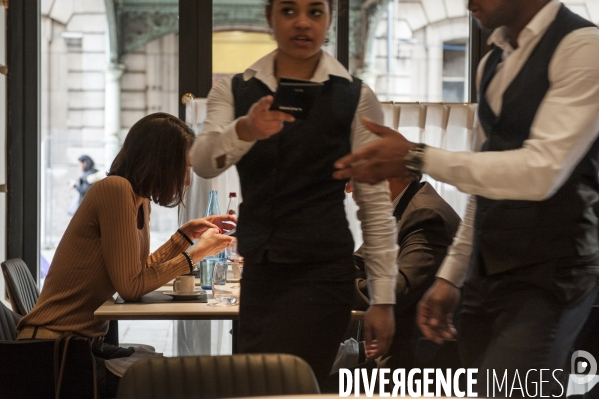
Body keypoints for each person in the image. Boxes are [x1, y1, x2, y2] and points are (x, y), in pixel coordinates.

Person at [334, 0, 599, 395]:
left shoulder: (583, 47)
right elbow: (483, 189)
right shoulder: (492, 61)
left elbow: (542, 172)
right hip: (486, 273)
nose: (467, 2)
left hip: (553, 271)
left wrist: (416, 155)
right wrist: (450, 277)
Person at [190, 0, 398, 386]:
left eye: (315, 11)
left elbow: (374, 203)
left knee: (295, 385)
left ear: (330, 20)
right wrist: (245, 131)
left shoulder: (356, 97)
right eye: (289, 10)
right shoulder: (234, 90)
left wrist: (382, 299)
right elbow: (202, 162)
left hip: (322, 275)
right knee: (256, 386)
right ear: (270, 17)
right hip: (260, 276)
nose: (302, 22)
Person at [17, 113, 235, 398]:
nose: (186, 180)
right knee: (176, 379)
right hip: (52, 352)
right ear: (160, 162)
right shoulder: (115, 190)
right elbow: (131, 288)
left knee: (169, 370)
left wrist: (184, 237)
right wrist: (196, 254)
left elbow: (137, 271)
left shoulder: (138, 200)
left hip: (80, 346)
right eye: (183, 168)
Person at [349, 174, 460, 371]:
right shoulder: (397, 209)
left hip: (420, 366)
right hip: (398, 350)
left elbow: (396, 291)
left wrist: (329, 284)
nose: (348, 188)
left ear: (389, 174)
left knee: (308, 383)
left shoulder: (425, 214)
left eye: (355, 176)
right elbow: (356, 264)